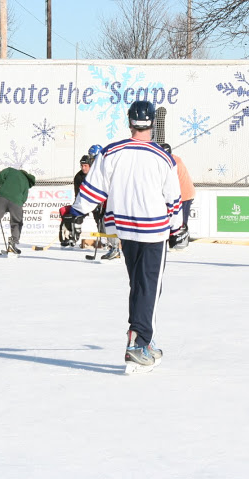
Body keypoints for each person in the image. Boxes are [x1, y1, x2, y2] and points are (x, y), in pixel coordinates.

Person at [62, 100, 185, 374]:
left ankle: (142, 337)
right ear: (152, 123)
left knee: (138, 285)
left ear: (130, 122)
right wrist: (177, 229)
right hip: (153, 230)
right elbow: (173, 199)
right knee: (149, 287)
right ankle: (139, 344)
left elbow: (92, 190)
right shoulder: (163, 157)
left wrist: (75, 212)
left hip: (124, 229)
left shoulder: (111, 151)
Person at [160, 143, 195, 249]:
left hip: (184, 194)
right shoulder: (174, 159)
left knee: (180, 222)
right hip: (183, 193)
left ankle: (180, 243)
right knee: (177, 220)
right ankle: (178, 242)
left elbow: (171, 183)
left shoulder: (173, 162)